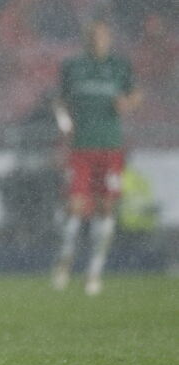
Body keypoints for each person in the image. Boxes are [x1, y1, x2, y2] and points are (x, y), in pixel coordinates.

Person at [51, 20, 140, 296]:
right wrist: (65, 124)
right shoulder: (73, 67)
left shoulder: (120, 66)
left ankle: (94, 271)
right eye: (93, 35)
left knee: (105, 208)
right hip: (80, 148)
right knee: (75, 206)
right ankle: (66, 259)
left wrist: (128, 103)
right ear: (86, 38)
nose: (97, 40)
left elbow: (135, 94)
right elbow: (60, 101)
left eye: (102, 35)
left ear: (109, 38)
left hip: (110, 148)